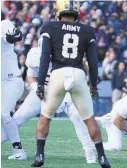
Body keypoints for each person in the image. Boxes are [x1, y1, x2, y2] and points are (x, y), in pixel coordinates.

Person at [31, 1, 110, 167]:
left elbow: (45, 57)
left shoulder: (50, 26)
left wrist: (40, 83)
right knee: (90, 119)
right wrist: (93, 85)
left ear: (59, 10)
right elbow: (93, 62)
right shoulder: (87, 30)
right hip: (78, 74)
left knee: (45, 117)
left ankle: (39, 155)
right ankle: (102, 157)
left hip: (58, 73)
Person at [1, 38, 97, 164]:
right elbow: (31, 76)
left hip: (66, 91)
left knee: (77, 118)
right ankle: (17, 150)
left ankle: (89, 151)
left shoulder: (67, 56)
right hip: (43, 91)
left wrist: (65, 97)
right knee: (17, 118)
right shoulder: (34, 55)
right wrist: (36, 88)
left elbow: (76, 79)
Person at [1, 19, 27, 160]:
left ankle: (18, 150)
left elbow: (15, 37)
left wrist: (8, 37)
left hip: (12, 80)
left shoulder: (4, 25)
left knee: (4, 113)